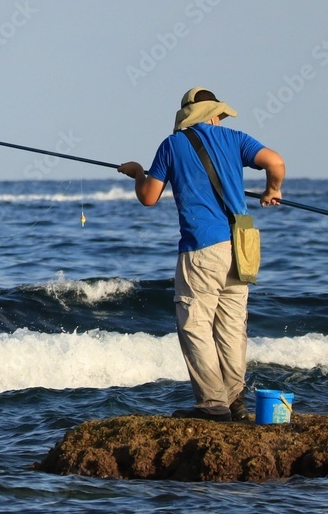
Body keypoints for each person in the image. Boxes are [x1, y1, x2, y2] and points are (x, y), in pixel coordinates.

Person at [118, 87, 285, 422]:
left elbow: (149, 197)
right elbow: (275, 161)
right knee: (232, 327)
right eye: (219, 115)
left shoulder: (172, 145)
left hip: (202, 248)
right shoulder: (235, 139)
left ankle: (212, 404)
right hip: (241, 244)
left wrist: (137, 173)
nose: (220, 120)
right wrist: (273, 189)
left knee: (196, 325)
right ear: (212, 114)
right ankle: (236, 402)